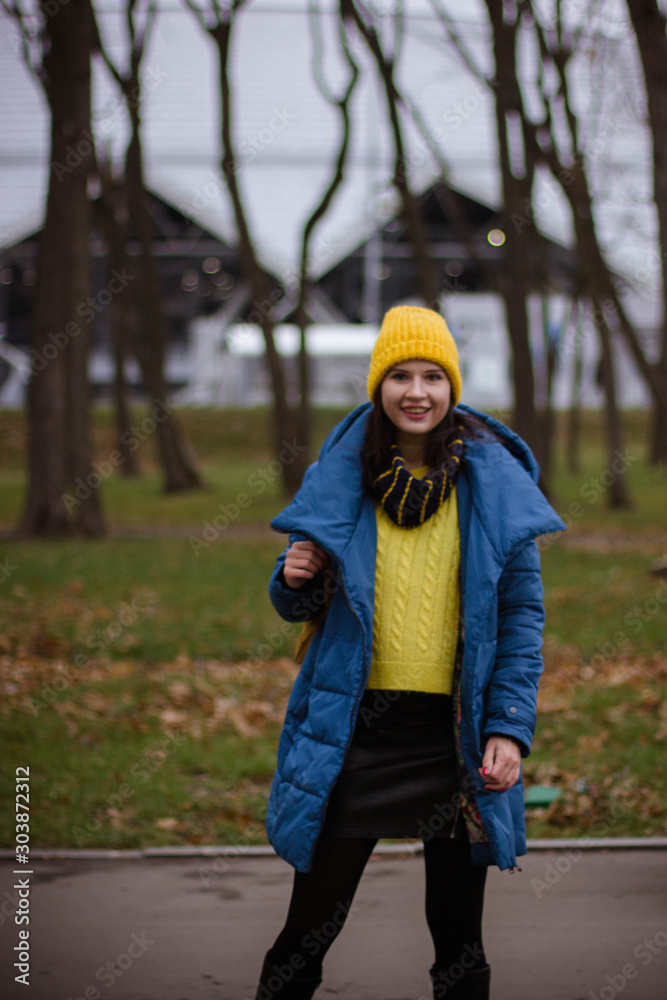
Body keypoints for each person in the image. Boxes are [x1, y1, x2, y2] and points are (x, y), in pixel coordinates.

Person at [253, 305, 565, 1000]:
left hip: (453, 739)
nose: (416, 391)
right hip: (353, 733)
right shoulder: (342, 483)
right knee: (306, 932)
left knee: (458, 944)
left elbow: (521, 621)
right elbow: (296, 602)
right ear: (378, 387)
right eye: (399, 375)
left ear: (452, 386)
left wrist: (510, 728)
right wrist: (292, 578)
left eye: (432, 375)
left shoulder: (494, 492)